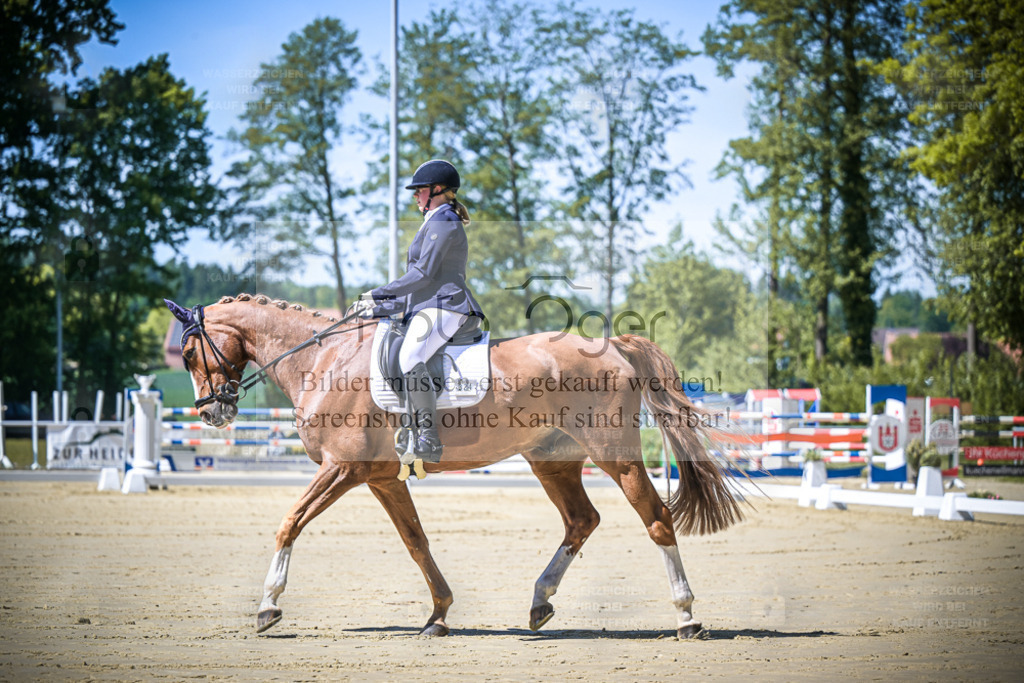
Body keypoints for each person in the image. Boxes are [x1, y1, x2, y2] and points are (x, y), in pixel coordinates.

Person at [352, 160, 484, 462]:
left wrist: (376, 293)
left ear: (437, 190)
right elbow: (418, 289)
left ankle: (428, 436)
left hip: (447, 304)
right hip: (429, 304)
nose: (415, 196)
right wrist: (376, 309)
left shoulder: (445, 220)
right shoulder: (434, 221)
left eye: (419, 190)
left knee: (411, 356)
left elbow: (423, 274)